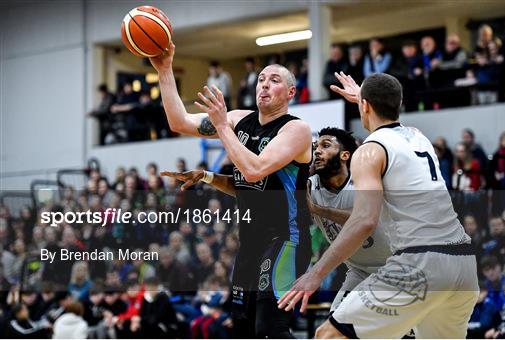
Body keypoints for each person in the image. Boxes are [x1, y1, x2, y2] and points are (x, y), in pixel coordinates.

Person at [278, 72, 478, 338]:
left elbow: (364, 220)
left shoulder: (369, 151)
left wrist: (316, 273)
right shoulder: (420, 138)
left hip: (420, 261)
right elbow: (391, 116)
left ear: (365, 106)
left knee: (328, 335)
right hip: (463, 264)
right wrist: (365, 95)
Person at [150, 43, 312, 338]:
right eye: (261, 79)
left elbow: (255, 169)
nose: (264, 84)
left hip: (286, 240)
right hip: (249, 242)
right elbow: (179, 122)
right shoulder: (239, 119)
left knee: (271, 327)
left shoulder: (296, 130)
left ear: (290, 92)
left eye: (274, 80)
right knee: (241, 328)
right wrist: (164, 70)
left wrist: (223, 126)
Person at [308, 127, 391, 312]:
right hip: (359, 271)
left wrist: (318, 210)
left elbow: (364, 217)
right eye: (315, 147)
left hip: (396, 266)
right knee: (333, 330)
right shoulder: (310, 186)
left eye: (325, 145)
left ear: (345, 155)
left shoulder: (365, 179)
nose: (317, 151)